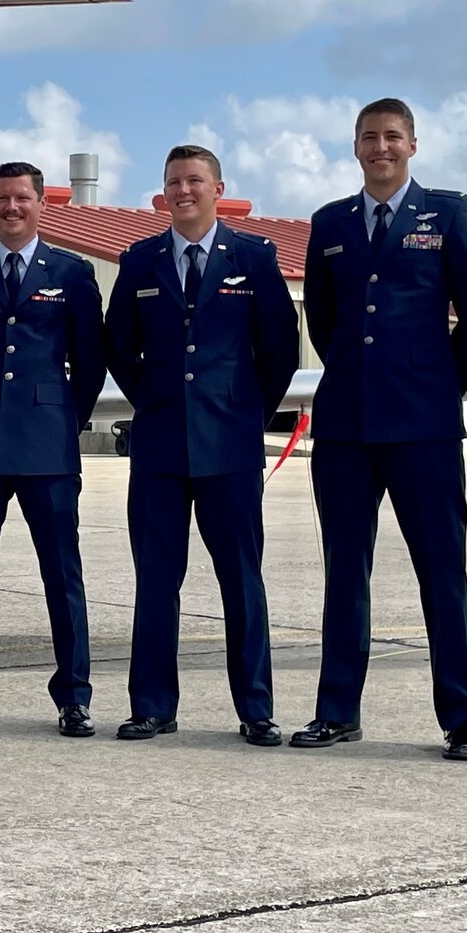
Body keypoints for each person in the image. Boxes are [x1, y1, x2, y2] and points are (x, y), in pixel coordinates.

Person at [295, 97, 467, 760]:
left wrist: (438, 382)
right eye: (368, 138)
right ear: (355, 147)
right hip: (348, 424)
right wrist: (362, 372)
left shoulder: (448, 215)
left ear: (413, 144)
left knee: (442, 571)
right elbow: (323, 323)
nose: (380, 147)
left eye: (392, 137)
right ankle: (337, 711)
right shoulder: (329, 223)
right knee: (344, 572)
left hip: (424, 427)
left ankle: (460, 718)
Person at [105, 145, 300, 743]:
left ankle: (256, 709)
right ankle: (153, 706)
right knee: (157, 580)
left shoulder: (253, 258)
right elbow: (119, 347)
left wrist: (244, 413)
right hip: (161, 447)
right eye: (172, 183)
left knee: (241, 580)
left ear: (218, 187)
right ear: (162, 194)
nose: (183, 191)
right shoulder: (140, 261)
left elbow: (279, 351)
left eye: (195, 180)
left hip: (230, 448)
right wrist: (156, 403)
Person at [0, 161, 105, 738]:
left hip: (48, 450)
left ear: (42, 204)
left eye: (23, 198)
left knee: (62, 575)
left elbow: (88, 366)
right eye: (3, 199)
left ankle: (74, 696)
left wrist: (58, 418)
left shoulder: (73, 274)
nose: (12, 208)